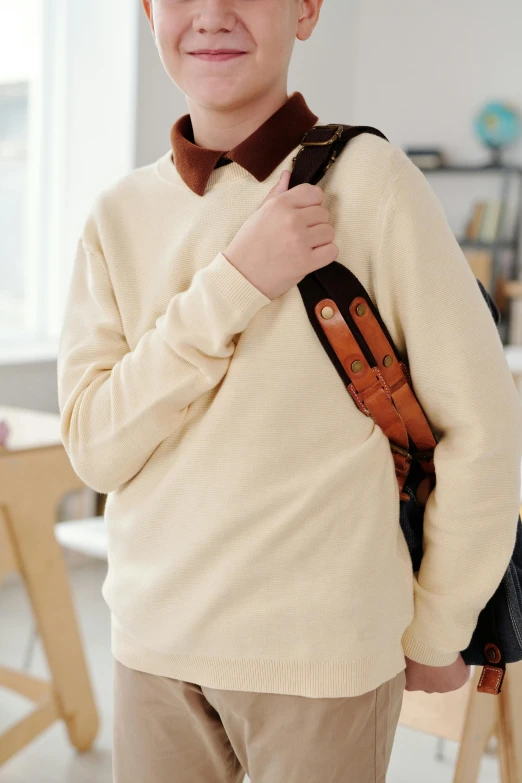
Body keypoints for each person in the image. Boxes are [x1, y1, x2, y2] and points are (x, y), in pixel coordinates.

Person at [56, 0, 522, 781]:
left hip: (322, 661)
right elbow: (96, 447)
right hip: (153, 652)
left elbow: (483, 426)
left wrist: (436, 625)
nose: (210, 14)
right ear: (146, 10)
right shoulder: (117, 217)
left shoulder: (373, 185)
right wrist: (235, 282)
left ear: (306, 9)